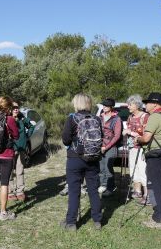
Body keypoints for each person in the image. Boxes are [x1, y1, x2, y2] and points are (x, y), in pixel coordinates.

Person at [61, 93, 102, 231]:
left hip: (75, 158)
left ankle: (71, 222)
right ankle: (97, 221)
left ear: (77, 104)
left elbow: (66, 140)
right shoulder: (96, 118)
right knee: (93, 191)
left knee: (74, 191)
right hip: (93, 159)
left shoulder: (72, 118)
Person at [135, 92, 161, 230]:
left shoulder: (155, 117)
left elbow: (145, 139)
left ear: (155, 104)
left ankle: (158, 220)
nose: (145, 105)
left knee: (153, 187)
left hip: (155, 157)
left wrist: (137, 139)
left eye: (148, 102)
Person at [0, 96, 19, 220]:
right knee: (5, 183)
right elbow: (16, 136)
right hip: (6, 155)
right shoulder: (9, 119)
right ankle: (3, 213)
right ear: (8, 107)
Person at [122, 94, 150, 204]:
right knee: (133, 169)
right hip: (132, 148)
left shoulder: (145, 117)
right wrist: (126, 132)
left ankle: (147, 195)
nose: (128, 106)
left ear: (137, 105)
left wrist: (131, 133)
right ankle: (137, 191)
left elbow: (147, 134)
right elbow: (128, 129)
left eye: (130, 104)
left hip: (142, 149)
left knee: (143, 171)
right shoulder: (130, 117)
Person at [8, 101, 34, 202]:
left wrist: (27, 137)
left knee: (20, 170)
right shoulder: (7, 119)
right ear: (10, 109)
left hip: (21, 149)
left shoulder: (22, 119)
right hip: (10, 149)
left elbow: (31, 126)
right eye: (13, 107)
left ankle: (20, 192)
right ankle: (10, 192)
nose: (15, 109)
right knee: (10, 171)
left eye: (17, 107)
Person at [99, 98, 122, 197]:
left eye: (106, 106)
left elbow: (117, 136)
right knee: (101, 167)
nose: (104, 107)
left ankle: (110, 187)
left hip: (111, 147)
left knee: (108, 168)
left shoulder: (117, 119)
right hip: (100, 145)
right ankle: (103, 185)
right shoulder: (100, 117)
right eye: (103, 105)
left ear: (111, 107)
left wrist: (106, 146)